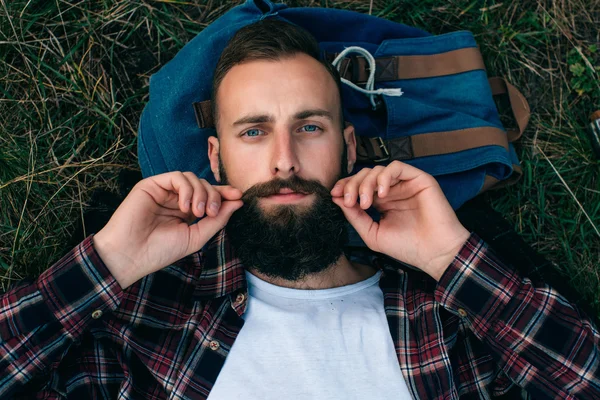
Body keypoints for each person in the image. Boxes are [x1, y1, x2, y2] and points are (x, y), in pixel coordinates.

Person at [1, 19, 598, 400]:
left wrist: (451, 257)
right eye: (254, 133)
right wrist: (108, 263)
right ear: (215, 158)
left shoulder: (446, 320)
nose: (285, 161)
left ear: (348, 147)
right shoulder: (146, 320)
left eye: (308, 126)